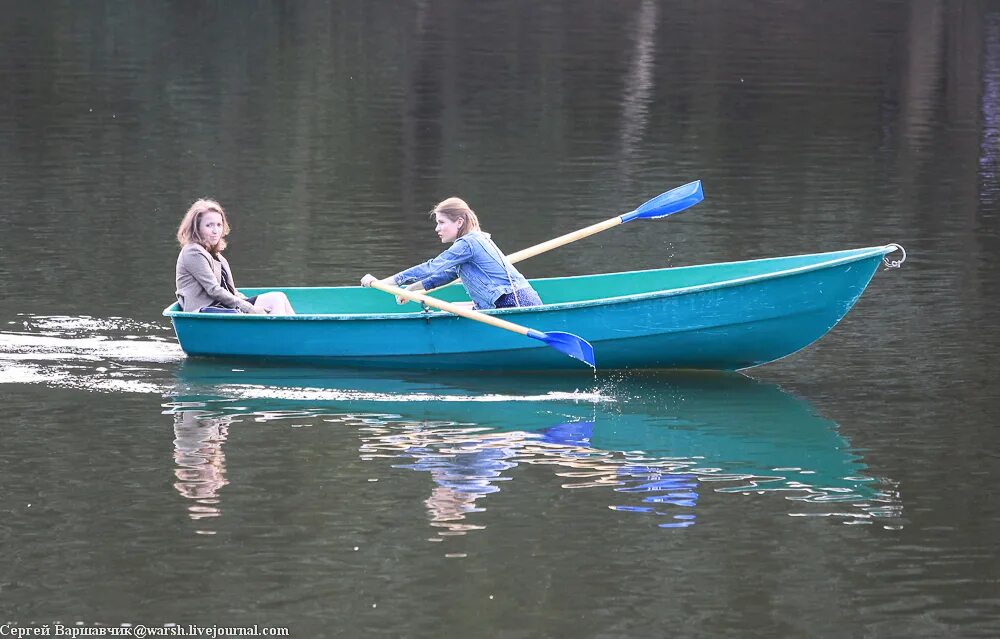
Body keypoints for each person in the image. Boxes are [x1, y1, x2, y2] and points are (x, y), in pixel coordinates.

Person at [360, 197, 542, 310]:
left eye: (442, 222)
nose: (437, 228)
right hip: (518, 300)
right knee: (453, 308)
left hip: (515, 303)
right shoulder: (475, 240)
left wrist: (386, 282)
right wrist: (410, 290)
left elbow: (432, 267)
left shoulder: (468, 243)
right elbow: (447, 274)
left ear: (459, 222)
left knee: (452, 311)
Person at [174, 198, 295, 314]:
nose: (216, 231)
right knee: (275, 301)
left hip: (222, 305)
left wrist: (251, 305)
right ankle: (279, 334)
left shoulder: (217, 256)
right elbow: (214, 290)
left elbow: (231, 291)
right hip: (204, 310)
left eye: (219, 225)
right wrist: (249, 308)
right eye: (209, 225)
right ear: (197, 228)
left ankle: (292, 333)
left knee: (278, 298)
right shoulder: (192, 252)